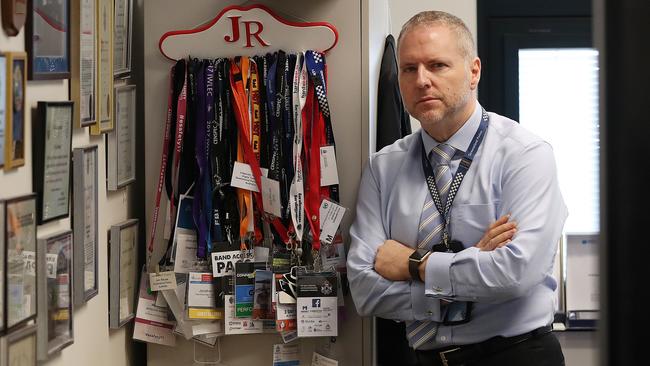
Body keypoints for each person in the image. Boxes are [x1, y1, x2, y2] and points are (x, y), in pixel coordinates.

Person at [347, 10, 567, 366]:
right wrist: (469, 267)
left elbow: (515, 275)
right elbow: (364, 290)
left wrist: (414, 265)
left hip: (515, 356)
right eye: (409, 69)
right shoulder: (382, 168)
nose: (421, 80)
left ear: (473, 71)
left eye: (437, 65)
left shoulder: (526, 156)